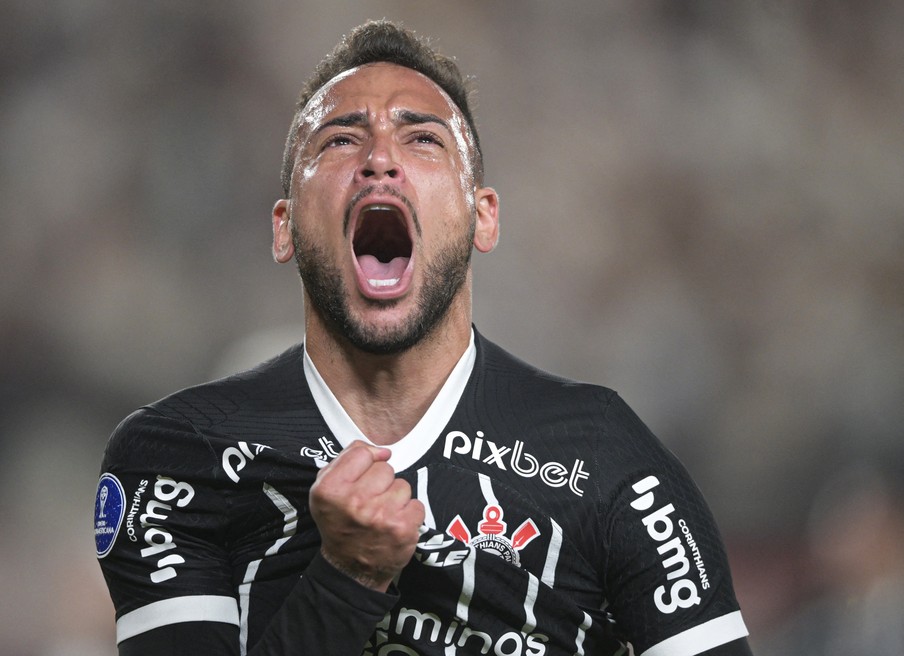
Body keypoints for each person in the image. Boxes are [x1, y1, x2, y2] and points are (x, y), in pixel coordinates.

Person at [94, 19, 752, 656]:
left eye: (424, 141)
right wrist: (348, 579)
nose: (379, 159)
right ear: (284, 227)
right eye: (339, 142)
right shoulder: (177, 461)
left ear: (481, 218)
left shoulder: (606, 457)